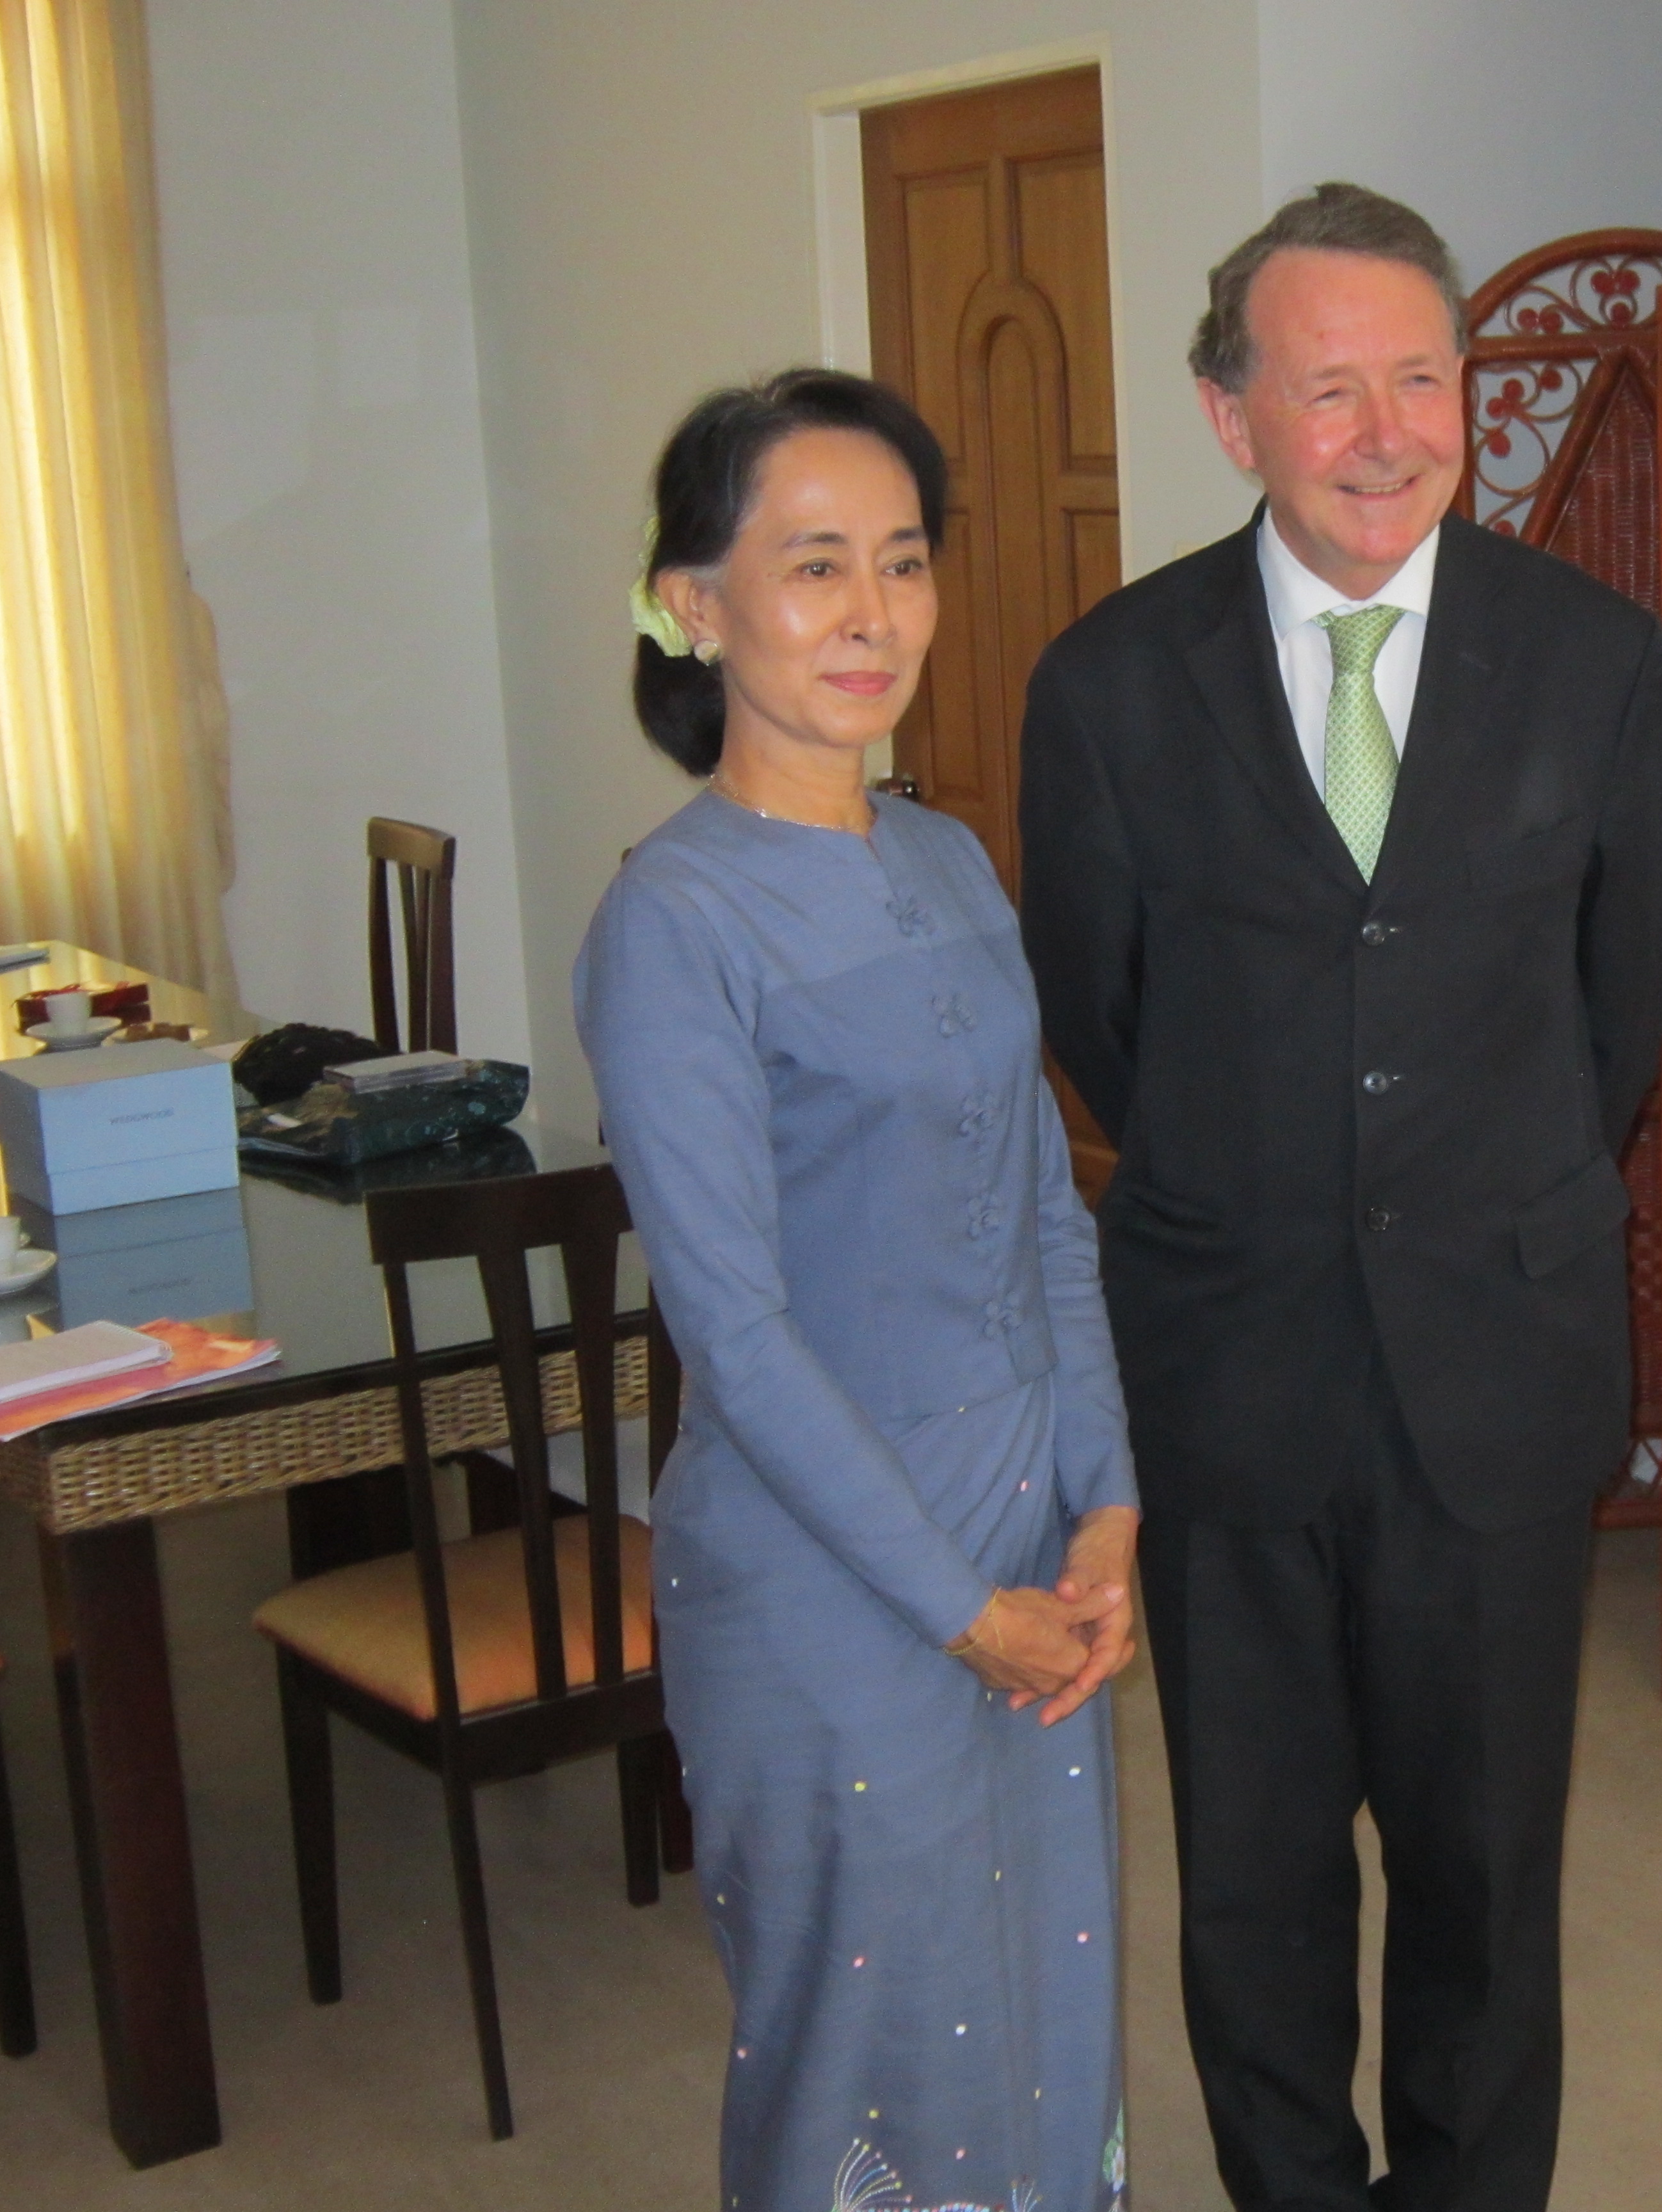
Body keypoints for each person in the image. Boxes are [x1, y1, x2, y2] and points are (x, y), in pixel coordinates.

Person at [1018, 186, 1662, 2212]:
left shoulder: (1598, 662)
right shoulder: (1115, 683)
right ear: (1234, 417)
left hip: (1501, 1363)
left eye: (1424, 378)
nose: (1388, 429)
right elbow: (1100, 1023)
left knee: (1491, 1888)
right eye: (1331, 388)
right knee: (1259, 1893)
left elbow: (1618, 1020)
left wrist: (1457, 1195)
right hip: (1231, 1373)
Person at [577, 369, 1139, 2212]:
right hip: (831, 1589)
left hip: (1032, 1548)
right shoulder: (674, 922)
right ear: (693, 602)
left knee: (1040, 2019)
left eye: (903, 563)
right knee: (870, 2050)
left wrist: (1111, 1502)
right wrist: (957, 1607)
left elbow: (1048, 1205)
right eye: (814, 566)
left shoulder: (950, 853)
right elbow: (732, 1332)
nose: (873, 615)